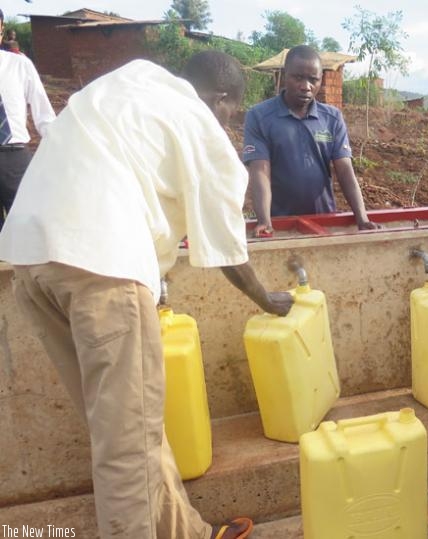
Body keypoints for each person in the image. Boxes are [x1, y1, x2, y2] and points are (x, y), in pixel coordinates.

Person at [0, 51, 292, 539]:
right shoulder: (198, 123)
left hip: (30, 262)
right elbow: (226, 250)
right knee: (127, 449)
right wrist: (267, 300)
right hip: (102, 269)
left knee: (128, 428)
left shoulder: (124, 82)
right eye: (230, 111)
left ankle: (187, 533)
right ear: (220, 99)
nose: (227, 122)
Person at [243, 45, 377, 236]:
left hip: (324, 220)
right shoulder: (260, 117)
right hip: (280, 223)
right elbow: (260, 172)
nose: (306, 86)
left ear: (321, 80)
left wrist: (362, 219)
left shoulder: (332, 118)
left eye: (313, 80)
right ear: (284, 76)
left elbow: (345, 170)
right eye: (298, 77)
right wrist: (265, 220)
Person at [0, 8, 55, 229]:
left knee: (27, 226)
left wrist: (59, 145)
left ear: (1, 28)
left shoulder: (19, 65)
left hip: (14, 157)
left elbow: (43, 113)